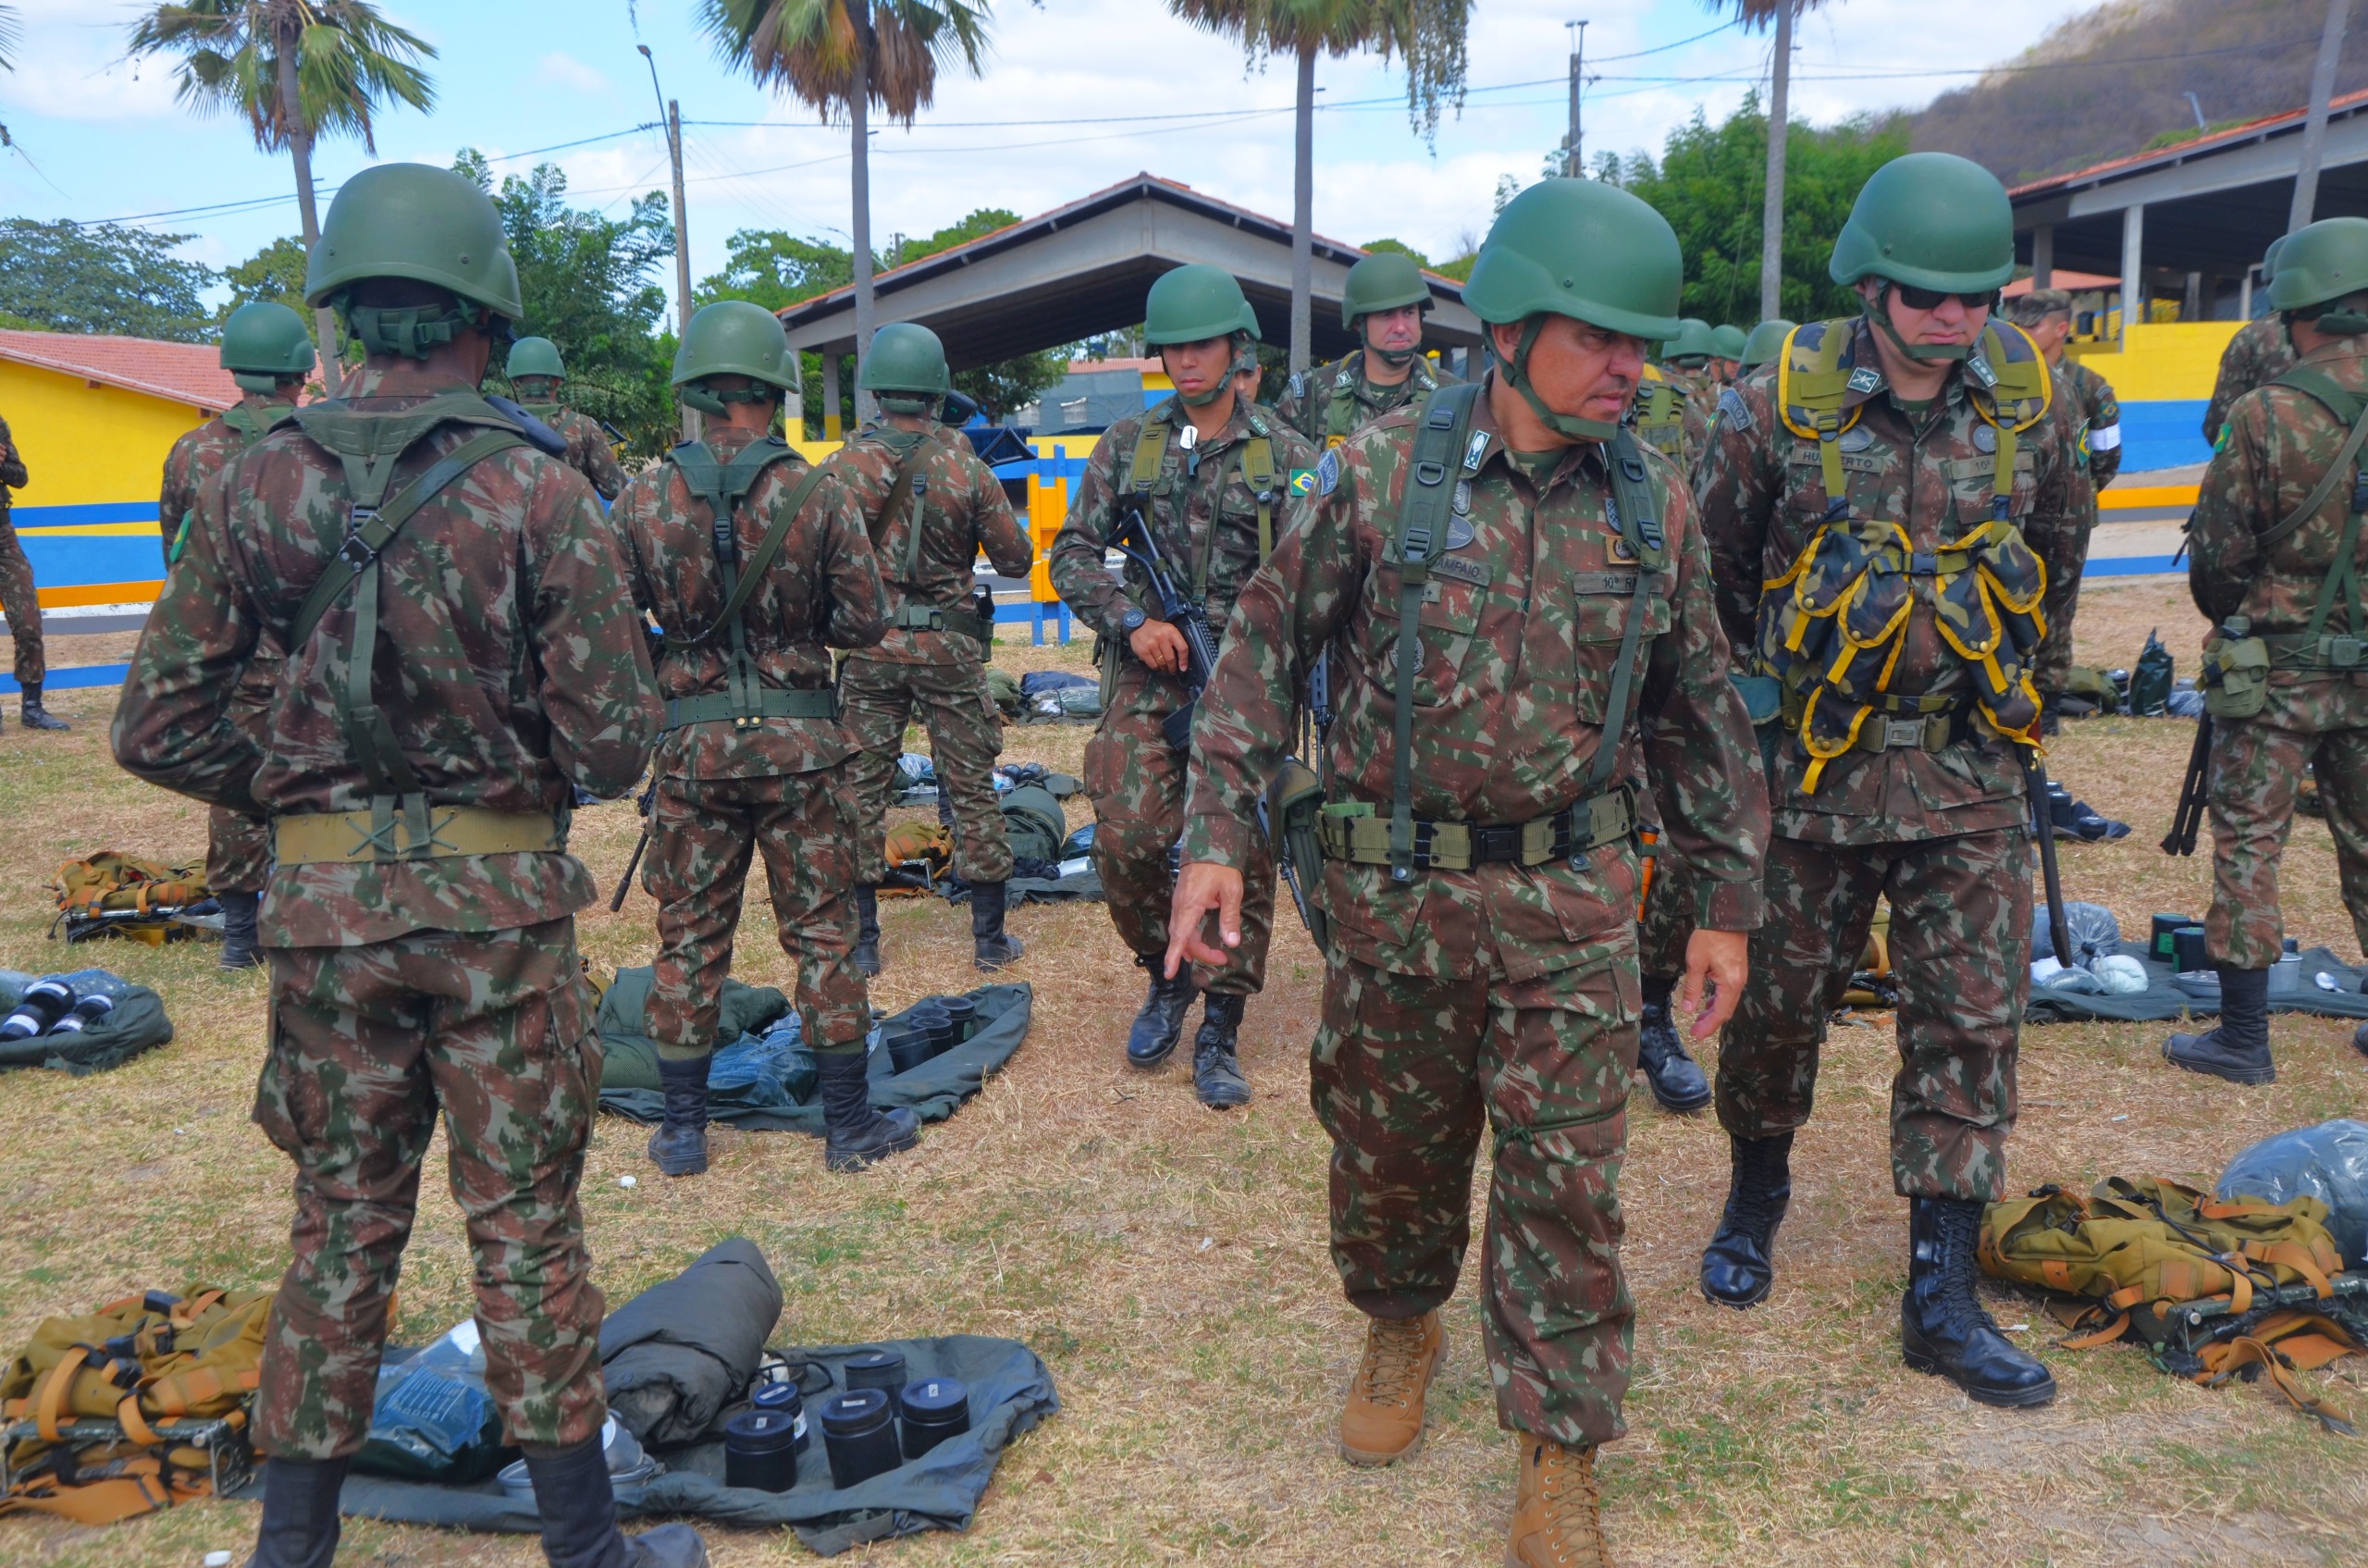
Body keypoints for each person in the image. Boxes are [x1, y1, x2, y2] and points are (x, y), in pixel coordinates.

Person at [1167, 179, 1768, 1565]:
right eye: (1600, 338)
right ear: (1509, 331)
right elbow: (1261, 649)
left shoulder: (1652, 499)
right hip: (1397, 905)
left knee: (1569, 1183)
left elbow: (1701, 712)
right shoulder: (1380, 474)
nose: (1633, 366)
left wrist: (1726, 904)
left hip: (1572, 907)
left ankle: (1558, 1445)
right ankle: (1398, 1322)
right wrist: (1216, 836)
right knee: (1391, 1160)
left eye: (1645, 343)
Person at [111, 162, 699, 1568]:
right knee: (525, 1223)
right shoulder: (540, 491)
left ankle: (290, 1549)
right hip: (497, 915)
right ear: (482, 316)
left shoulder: (252, 479)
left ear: (348, 313)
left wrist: (302, 795)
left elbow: (155, 721)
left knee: (338, 1224)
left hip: (322, 919)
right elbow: (618, 746)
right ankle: (587, 1547)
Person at [1694, 151, 2085, 1409]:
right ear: (1872, 282)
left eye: (1975, 295)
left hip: (1969, 771)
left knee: (1970, 1025)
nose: (1953, 316)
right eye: (1925, 293)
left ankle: (1942, 1289)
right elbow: (1713, 584)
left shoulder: (2036, 407)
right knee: (1774, 1012)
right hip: (1811, 775)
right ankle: (1756, 1192)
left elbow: (2058, 559)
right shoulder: (1772, 409)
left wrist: (2028, 698)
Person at [614, 299, 904, 1179]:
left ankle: (684, 1132)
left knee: (689, 937)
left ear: (697, 390)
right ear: (775, 392)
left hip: (694, 755)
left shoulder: (641, 497)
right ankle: (849, 1126)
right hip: (802, 752)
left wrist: (675, 661)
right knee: (821, 932)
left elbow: (612, 622)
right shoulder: (821, 493)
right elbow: (864, 621)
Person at [1046, 264, 1317, 1108]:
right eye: (1173, 347)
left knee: (1246, 848)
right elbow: (1071, 555)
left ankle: (1222, 1025)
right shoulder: (1129, 445)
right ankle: (1164, 974)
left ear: (1237, 346)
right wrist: (1131, 619)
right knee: (1124, 838)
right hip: (1153, 674)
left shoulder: (1290, 457)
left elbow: (1324, 575)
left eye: (1202, 344)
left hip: (1250, 681)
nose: (1187, 360)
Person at [2170, 216, 2368, 1081]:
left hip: (2276, 670)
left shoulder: (2264, 413)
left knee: (2250, 842)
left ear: (2301, 311)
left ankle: (2244, 1038)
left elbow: (2217, 557)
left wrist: (2238, 614)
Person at [828, 323, 1036, 976]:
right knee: (972, 782)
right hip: (949, 643)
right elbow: (1017, 558)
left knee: (860, 786)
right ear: (936, 392)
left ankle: (863, 944)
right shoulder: (965, 467)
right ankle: (989, 940)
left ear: (878, 390)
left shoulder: (841, 467)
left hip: (871, 642)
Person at [154, 300, 314, 969]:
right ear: (297, 373)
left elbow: (176, 555)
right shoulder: (319, 443)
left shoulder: (192, 452)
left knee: (237, 779)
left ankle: (241, 934)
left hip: (234, 645)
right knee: (324, 771)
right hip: (314, 641)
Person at [2004, 287, 2123, 719]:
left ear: (2061, 328)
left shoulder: (2090, 387)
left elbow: (2108, 456)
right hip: (2014, 508)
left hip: (2070, 515)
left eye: (2032, 325)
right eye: (2019, 324)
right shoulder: (2007, 378)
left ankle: (2049, 698)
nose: (2023, 332)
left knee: (2057, 607)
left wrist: (2078, 495)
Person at [1276, 251, 1458, 448]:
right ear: (1359, 323)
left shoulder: (1456, 396)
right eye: (1386, 314)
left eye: (1409, 312)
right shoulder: (1310, 395)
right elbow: (1282, 471)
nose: (1400, 327)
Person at [506, 336, 631, 502]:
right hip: (571, 526)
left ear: (515, 382)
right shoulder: (584, 427)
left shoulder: (496, 425)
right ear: (557, 381)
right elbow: (616, 490)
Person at [2204, 236, 2299, 448]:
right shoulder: (2355, 336)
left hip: (2270, 471)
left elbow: (2219, 426)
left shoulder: (2250, 339)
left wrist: (2223, 457)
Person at [0, 412, 62, 731]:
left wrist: (1, 464)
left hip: (3, 536)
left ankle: (32, 707)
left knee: (28, 623)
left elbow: (20, 477)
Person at [1708, 322, 1748, 386]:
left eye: (1739, 361)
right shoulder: (1696, 387)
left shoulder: (1742, 390)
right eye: (1732, 361)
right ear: (1713, 358)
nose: (1737, 366)